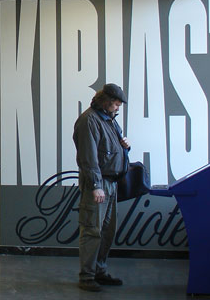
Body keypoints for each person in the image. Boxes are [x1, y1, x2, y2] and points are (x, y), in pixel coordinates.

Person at [72, 83, 130, 292]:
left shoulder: (108, 120)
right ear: (105, 101)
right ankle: (87, 277)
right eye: (115, 103)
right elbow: (88, 158)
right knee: (92, 230)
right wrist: (97, 185)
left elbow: (110, 149)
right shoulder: (89, 121)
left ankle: (99, 271)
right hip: (98, 184)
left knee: (107, 231)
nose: (117, 107)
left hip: (111, 183)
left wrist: (125, 146)